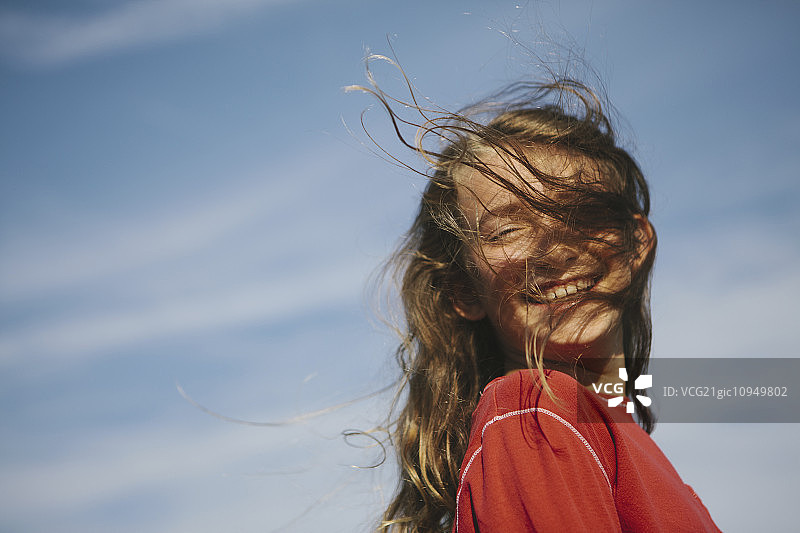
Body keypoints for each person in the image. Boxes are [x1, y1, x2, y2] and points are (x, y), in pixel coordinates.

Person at [352, 61, 721, 532]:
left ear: (636, 244)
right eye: (509, 229)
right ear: (464, 289)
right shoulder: (533, 416)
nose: (557, 247)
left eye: (583, 210)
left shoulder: (626, 455)